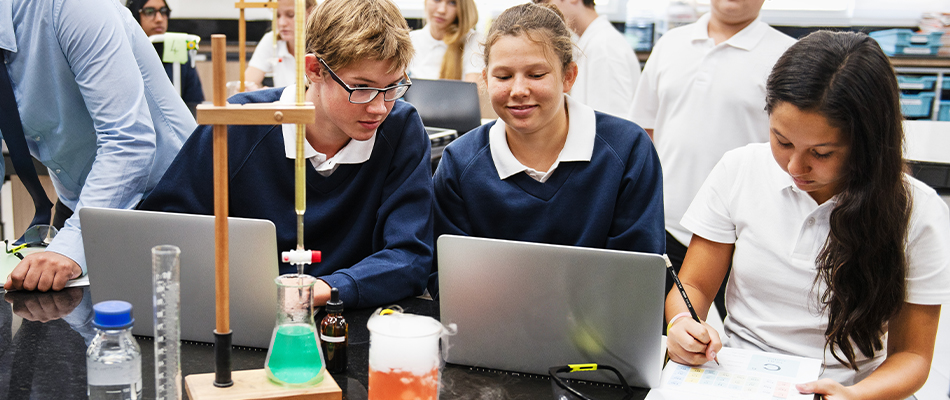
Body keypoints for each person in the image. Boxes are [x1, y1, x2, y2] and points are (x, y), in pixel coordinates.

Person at [665, 31, 950, 398]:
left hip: (855, 387)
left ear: (868, 144)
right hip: (743, 377)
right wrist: (682, 323)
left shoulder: (917, 210)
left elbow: (912, 356)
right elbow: (695, 286)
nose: (795, 167)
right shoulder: (740, 170)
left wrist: (854, 395)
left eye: (822, 152)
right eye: (782, 141)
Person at [140, 0, 433, 309]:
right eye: (362, 87)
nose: (379, 108)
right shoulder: (239, 124)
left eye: (393, 87)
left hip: (351, 316)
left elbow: (411, 257)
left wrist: (321, 290)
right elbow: (163, 233)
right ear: (315, 70)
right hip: (243, 309)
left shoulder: (401, 129)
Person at [432, 2, 665, 294]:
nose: (518, 90)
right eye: (503, 76)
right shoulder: (459, 163)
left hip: (601, 321)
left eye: (536, 74)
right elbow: (447, 278)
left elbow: (639, 276)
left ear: (569, 76)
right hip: (493, 318)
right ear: (486, 80)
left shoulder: (628, 151)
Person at [1, 0, 196, 292]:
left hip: (165, 199)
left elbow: (128, 139)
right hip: (82, 201)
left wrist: (69, 247)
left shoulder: (72, 6)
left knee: (161, 316)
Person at [629, 0, 796, 319]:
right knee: (664, 332)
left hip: (746, 230)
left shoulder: (789, 56)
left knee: (749, 333)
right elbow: (644, 131)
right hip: (666, 225)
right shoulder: (671, 44)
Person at [533, 0, 640, 120]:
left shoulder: (604, 48)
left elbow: (611, 121)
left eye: (545, 2)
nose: (542, 11)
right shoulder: (593, 43)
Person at [126, 0, 205, 113]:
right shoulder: (124, 53)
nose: (159, 19)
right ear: (134, 15)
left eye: (163, 11)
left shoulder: (178, 50)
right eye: (149, 12)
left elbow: (194, 103)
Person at [245, 0, 316, 89]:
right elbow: (247, 83)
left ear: (311, 12)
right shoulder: (272, 40)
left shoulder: (322, 44)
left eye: (291, 15)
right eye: (277, 15)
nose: (282, 23)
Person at [408, 0, 482, 82]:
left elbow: (473, 88)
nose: (442, 10)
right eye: (437, 0)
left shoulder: (474, 41)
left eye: (452, 3)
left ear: (463, 8)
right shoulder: (410, 40)